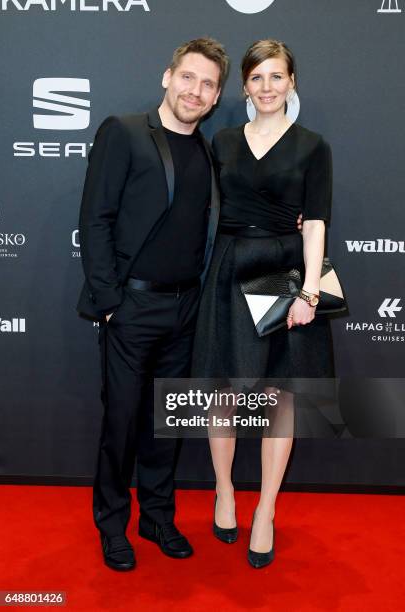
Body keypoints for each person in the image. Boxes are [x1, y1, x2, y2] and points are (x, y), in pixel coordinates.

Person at [77, 38, 229, 571]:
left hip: (187, 311)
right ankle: (112, 524)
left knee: (167, 422)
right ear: (168, 77)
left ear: (215, 98)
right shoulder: (123, 132)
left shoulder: (210, 151)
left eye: (208, 84)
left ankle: (158, 517)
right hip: (131, 309)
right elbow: (93, 219)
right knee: (121, 422)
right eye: (188, 77)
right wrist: (111, 302)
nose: (196, 90)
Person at [192, 39, 334, 568]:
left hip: (282, 271)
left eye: (277, 77)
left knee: (278, 397)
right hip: (229, 269)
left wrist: (309, 291)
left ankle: (266, 510)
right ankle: (225, 490)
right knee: (222, 390)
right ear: (244, 86)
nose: (267, 87)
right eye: (257, 78)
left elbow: (316, 221)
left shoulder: (313, 146)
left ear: (292, 82)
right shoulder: (221, 141)